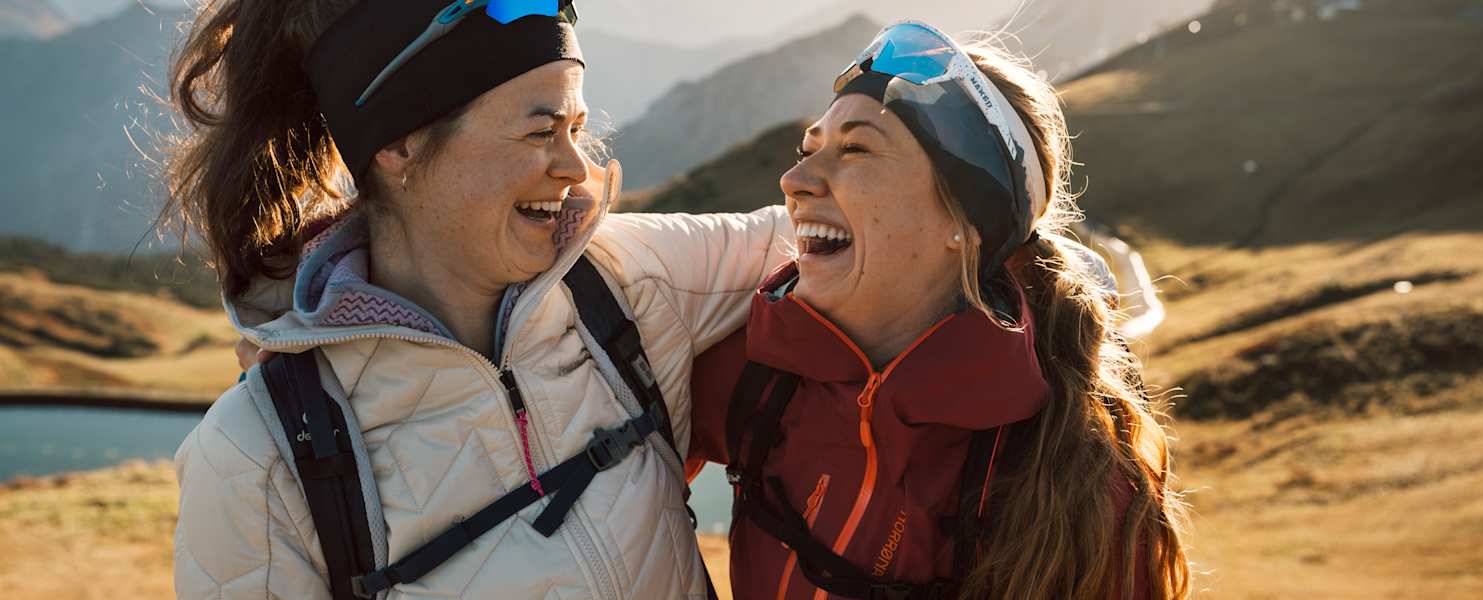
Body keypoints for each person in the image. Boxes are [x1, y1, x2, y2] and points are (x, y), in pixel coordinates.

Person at [164, 0, 788, 597]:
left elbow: (837, 234)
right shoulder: (255, 458)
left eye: (577, 128)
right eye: (540, 131)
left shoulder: (628, 278)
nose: (576, 166)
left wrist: (884, 85)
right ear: (400, 142)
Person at [686, 20, 1192, 600]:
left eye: (854, 149)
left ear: (964, 220)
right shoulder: (748, 370)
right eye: (808, 150)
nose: (794, 180)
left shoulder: (1077, 475)